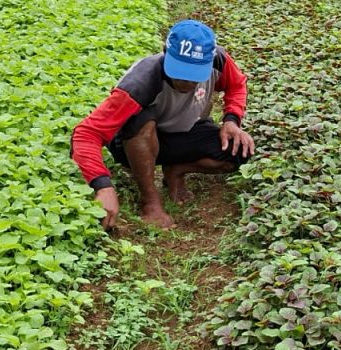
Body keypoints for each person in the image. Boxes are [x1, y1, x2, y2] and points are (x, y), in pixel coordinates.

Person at [71, 19, 254, 229]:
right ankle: (150, 202)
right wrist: (103, 186)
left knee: (239, 151)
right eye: (181, 73)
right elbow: (86, 133)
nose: (187, 82)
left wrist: (232, 120)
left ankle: (176, 169)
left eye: (194, 75)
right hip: (136, 140)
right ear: (165, 52)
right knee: (141, 123)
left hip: (186, 130)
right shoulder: (140, 83)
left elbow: (237, 85)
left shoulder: (218, 61)